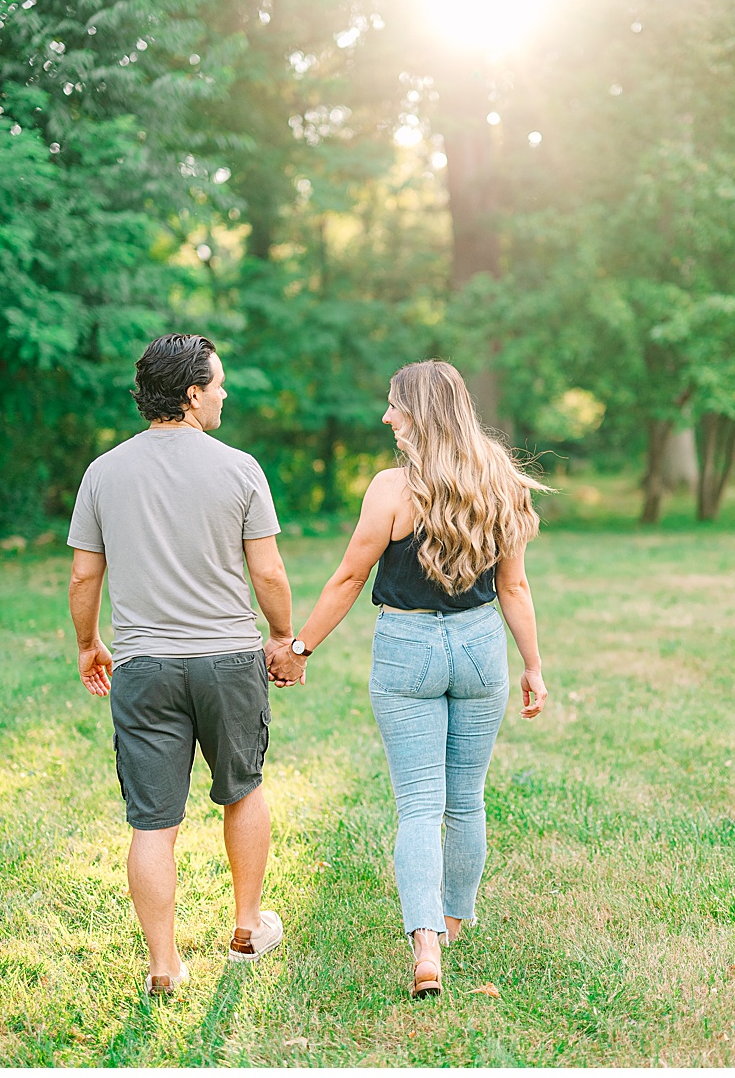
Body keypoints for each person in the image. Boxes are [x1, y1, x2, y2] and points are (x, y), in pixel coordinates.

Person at [275, 360, 548, 999]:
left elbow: (348, 578)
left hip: (408, 648)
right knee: (467, 799)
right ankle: (452, 920)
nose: (386, 417)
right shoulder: (499, 480)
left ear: (419, 412)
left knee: (420, 803)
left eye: (395, 405)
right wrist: (533, 665)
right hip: (482, 649)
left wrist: (300, 646)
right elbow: (515, 586)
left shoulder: (391, 490)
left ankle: (426, 941)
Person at [68, 333, 295, 997]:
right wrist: (281, 635)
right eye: (217, 382)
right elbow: (270, 570)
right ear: (193, 393)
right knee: (243, 789)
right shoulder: (240, 467)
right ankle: (248, 926)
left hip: (143, 667)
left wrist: (88, 642)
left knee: (152, 821)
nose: (224, 392)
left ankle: (164, 965)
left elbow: (85, 577)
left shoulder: (103, 472)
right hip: (228, 660)